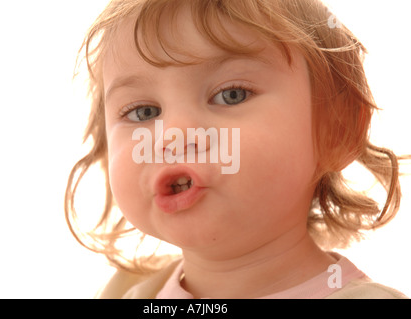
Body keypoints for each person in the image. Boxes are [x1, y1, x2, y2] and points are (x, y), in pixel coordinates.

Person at [65, 0, 409, 299]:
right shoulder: (123, 291)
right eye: (143, 113)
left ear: (337, 129)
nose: (173, 136)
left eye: (232, 94)